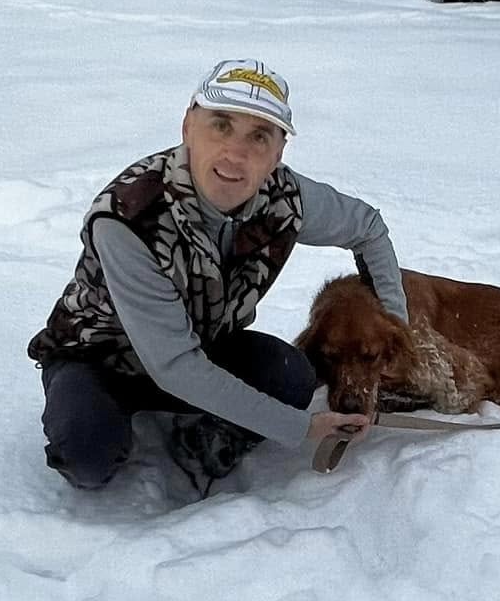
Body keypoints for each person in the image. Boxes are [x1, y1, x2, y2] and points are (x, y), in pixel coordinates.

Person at [29, 59, 408, 495]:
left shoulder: (285, 196)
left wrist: (395, 327)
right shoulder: (129, 217)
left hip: (203, 347)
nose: (236, 152)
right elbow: (175, 367)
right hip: (100, 359)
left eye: (259, 136)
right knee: (87, 455)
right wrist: (301, 427)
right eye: (221, 125)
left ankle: (199, 445)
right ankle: (97, 416)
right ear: (188, 125)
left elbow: (369, 229)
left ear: (278, 153)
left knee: (292, 375)